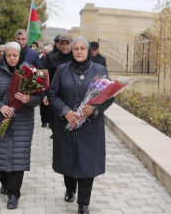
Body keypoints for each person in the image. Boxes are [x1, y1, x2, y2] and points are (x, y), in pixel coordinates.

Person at [48, 36, 114, 214]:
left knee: (86, 163)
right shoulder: (62, 70)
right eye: (75, 48)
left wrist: (94, 109)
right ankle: (70, 189)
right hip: (67, 125)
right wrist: (65, 111)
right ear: (71, 50)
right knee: (68, 160)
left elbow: (110, 96)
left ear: (88, 51)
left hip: (90, 128)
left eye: (82, 49)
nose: (78, 51)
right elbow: (53, 94)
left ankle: (83, 203)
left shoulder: (99, 70)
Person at [0, 41, 43, 210]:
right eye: (8, 55)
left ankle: (14, 193)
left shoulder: (29, 73)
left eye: (15, 55)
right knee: (2, 155)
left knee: (18, 157)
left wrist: (28, 99)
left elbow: (39, 97)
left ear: (20, 55)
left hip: (22, 122)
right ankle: (5, 183)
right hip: (1, 120)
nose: (11, 58)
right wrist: (0, 106)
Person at [43, 33, 74, 139]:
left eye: (67, 44)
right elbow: (47, 77)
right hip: (56, 95)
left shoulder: (76, 57)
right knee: (56, 119)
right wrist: (46, 94)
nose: (65, 46)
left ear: (71, 44)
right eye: (62, 44)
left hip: (72, 94)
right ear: (58, 45)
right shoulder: (52, 58)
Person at [39, 45, 52, 127]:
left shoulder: (53, 60)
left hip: (51, 83)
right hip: (42, 84)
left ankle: (50, 122)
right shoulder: (40, 61)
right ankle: (44, 121)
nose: (46, 55)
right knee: (43, 105)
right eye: (45, 53)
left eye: (48, 53)